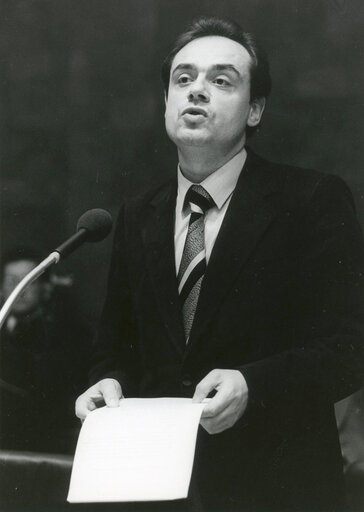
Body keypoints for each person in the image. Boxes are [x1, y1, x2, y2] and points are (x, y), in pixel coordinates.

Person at [75, 16, 364, 511]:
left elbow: (351, 344)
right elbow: (115, 345)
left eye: (221, 80)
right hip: (154, 488)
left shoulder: (312, 200)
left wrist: (255, 384)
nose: (197, 91)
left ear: (255, 109)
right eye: (183, 79)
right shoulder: (136, 214)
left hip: (276, 488)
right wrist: (106, 385)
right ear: (166, 102)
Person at [0, 248, 89, 453]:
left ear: (45, 287)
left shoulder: (65, 335)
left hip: (39, 445)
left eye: (27, 281)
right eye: (11, 280)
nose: (19, 289)